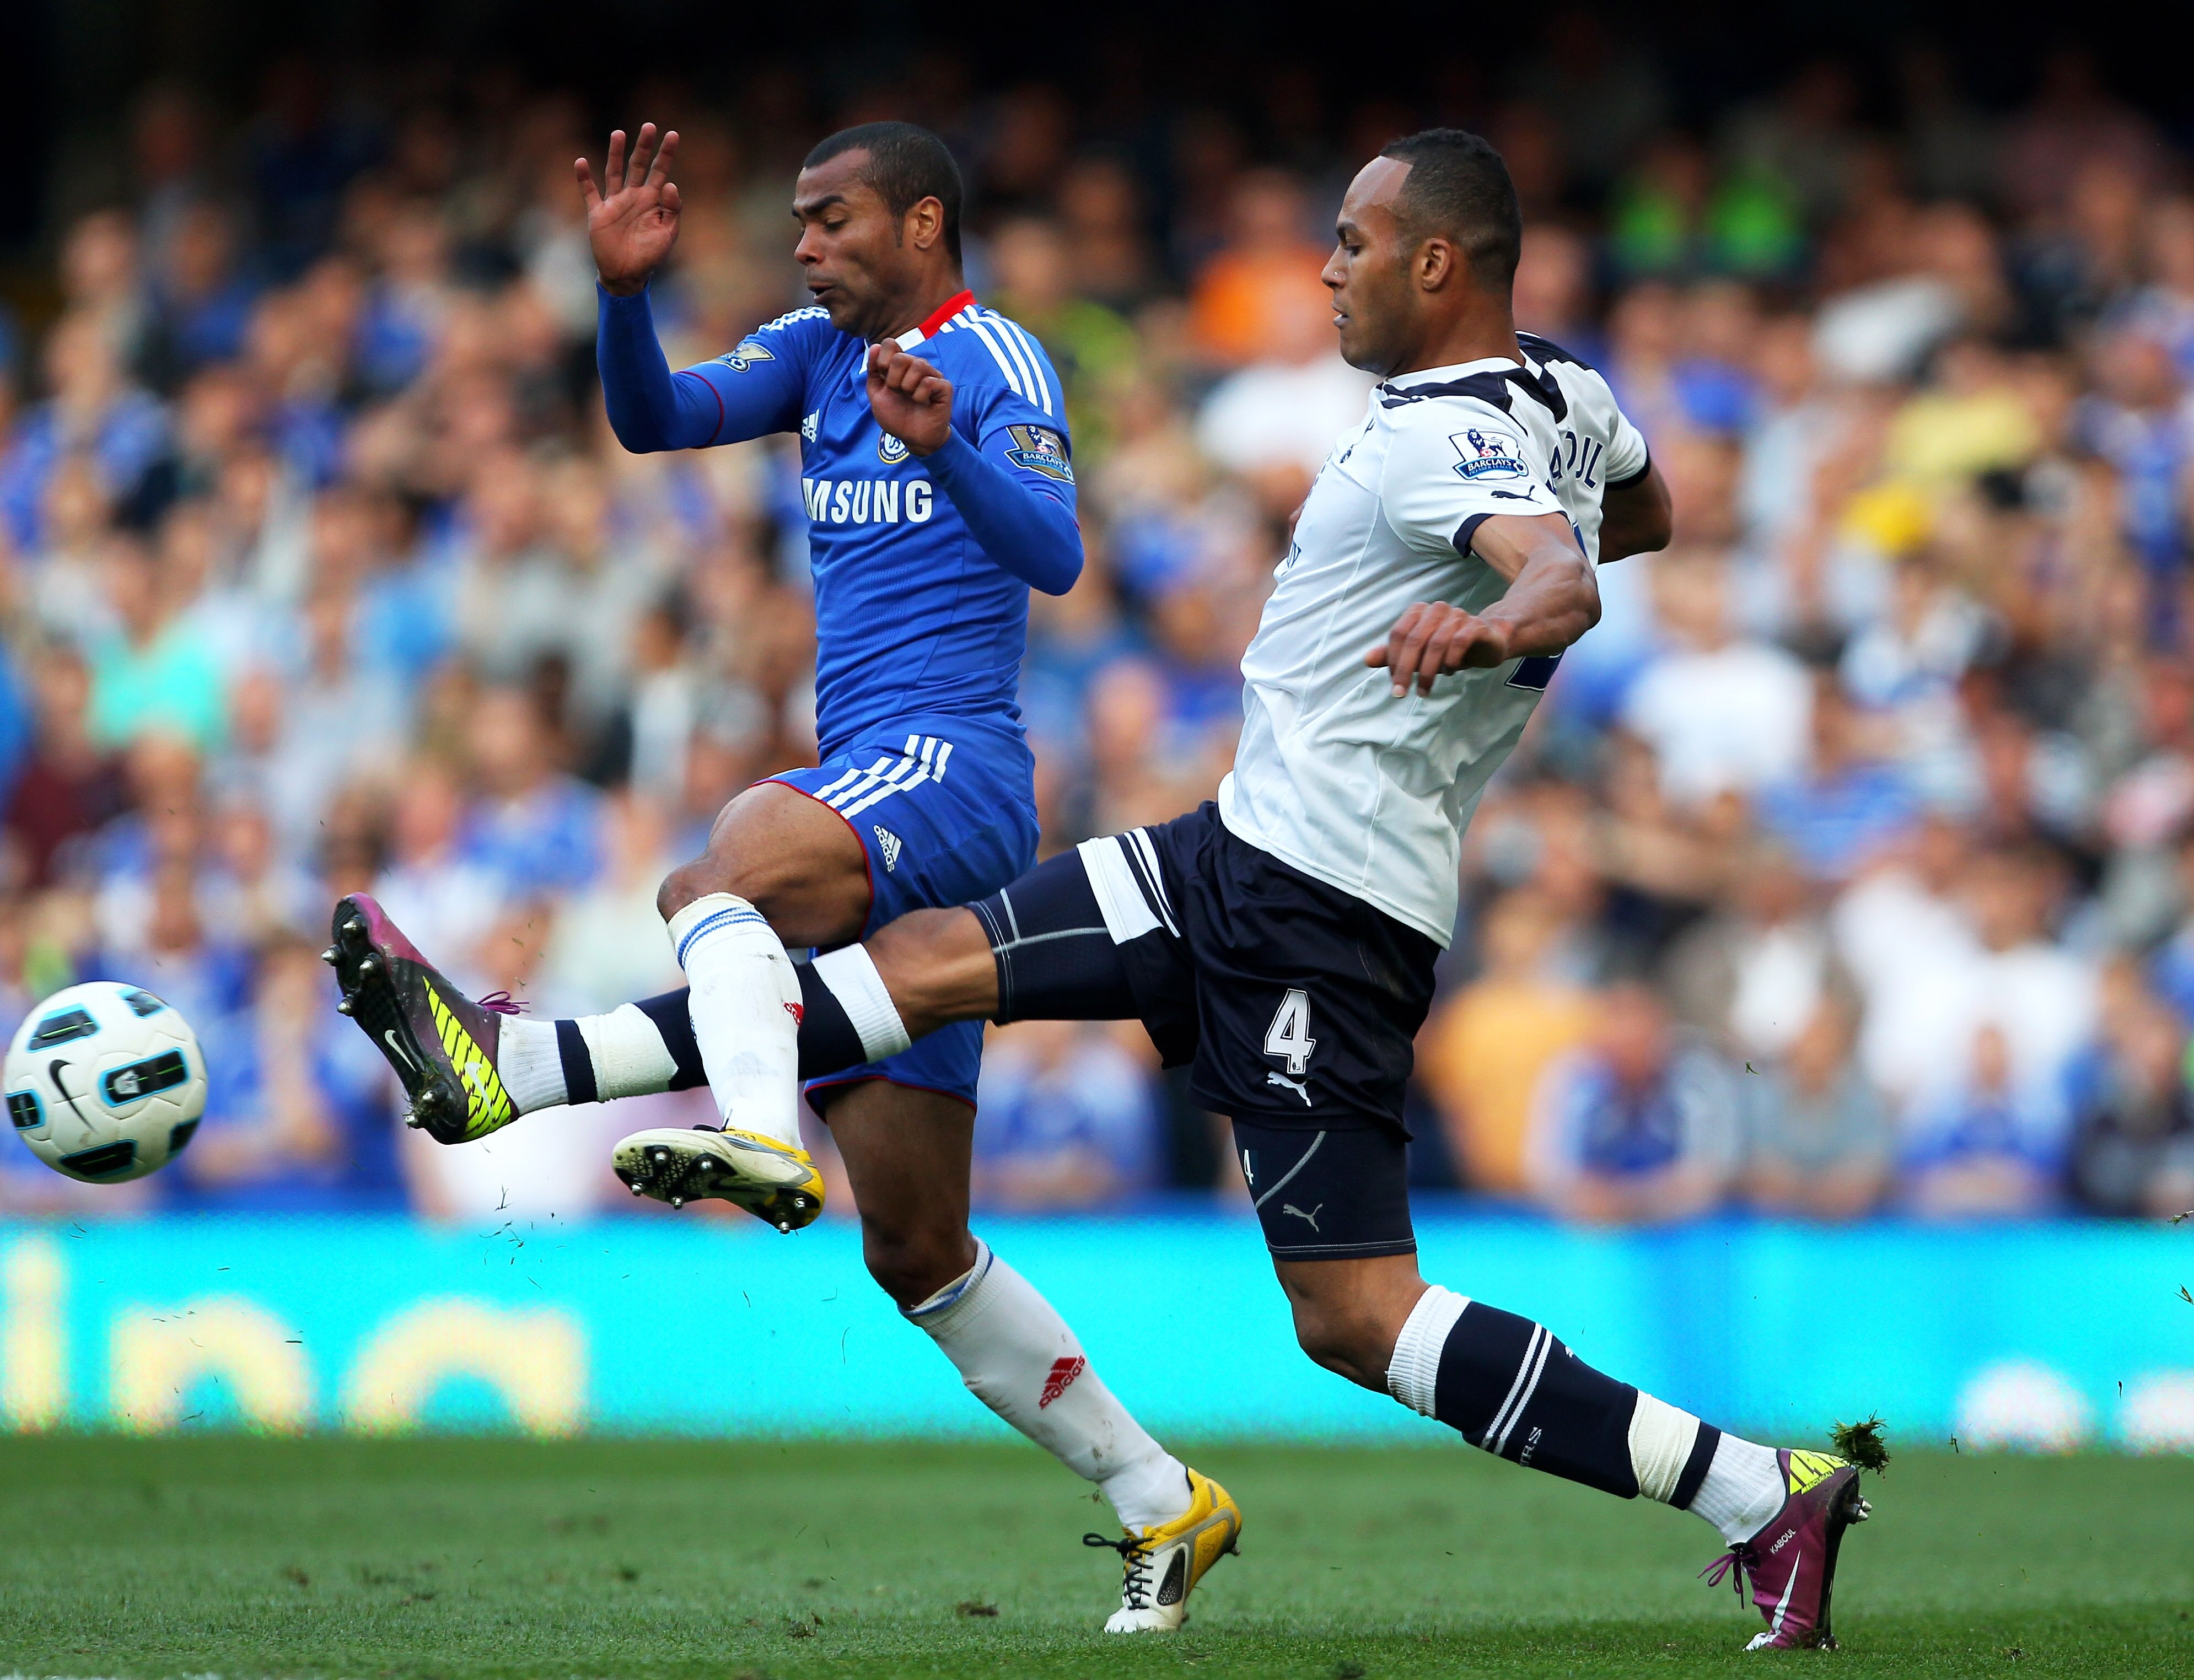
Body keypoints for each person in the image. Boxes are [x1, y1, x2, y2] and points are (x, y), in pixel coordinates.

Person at [345, 129, 1876, 1648]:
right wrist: (1512, 582)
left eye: (1348, 242)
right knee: (916, 979)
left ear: (1434, 262)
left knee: (1353, 1316)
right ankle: (522, 1066)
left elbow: (1566, 569)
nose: (1323, 267)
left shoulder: (1429, 440)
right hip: (1237, 851)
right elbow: (1642, 511)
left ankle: (1752, 1493)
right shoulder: (1559, 391)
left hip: (1315, 903)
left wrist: (1494, 622)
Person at [326, 121, 1225, 1631]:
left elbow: (1058, 553)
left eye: (832, 220)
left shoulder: (995, 356)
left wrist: (945, 449)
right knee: (919, 1249)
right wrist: (619, 296)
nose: (802, 246)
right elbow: (656, 419)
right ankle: (1161, 1500)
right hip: (876, 781)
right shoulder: (814, 353)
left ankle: (723, 1124)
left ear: (923, 222)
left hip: (949, 773)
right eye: (799, 222)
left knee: (715, 871)